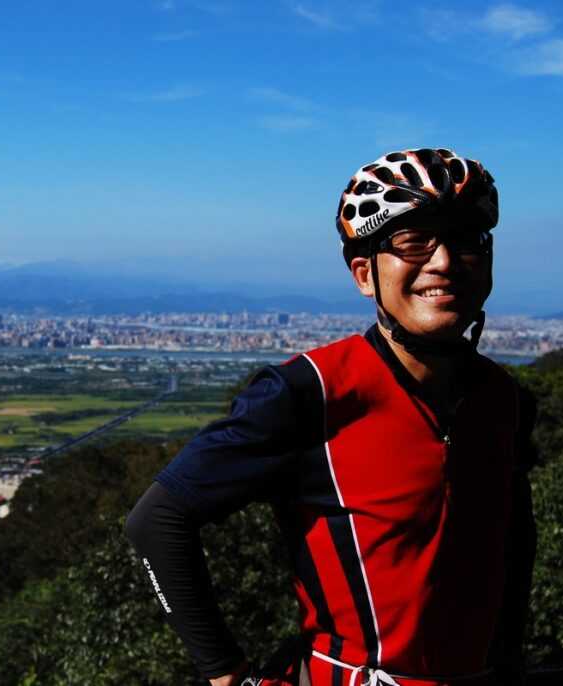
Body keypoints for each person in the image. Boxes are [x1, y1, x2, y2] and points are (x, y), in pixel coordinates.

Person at [125, 148, 537, 686]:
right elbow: (156, 521)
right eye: (414, 241)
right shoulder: (309, 392)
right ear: (364, 274)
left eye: (466, 238)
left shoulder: (504, 399)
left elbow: (513, 539)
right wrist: (227, 675)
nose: (443, 261)